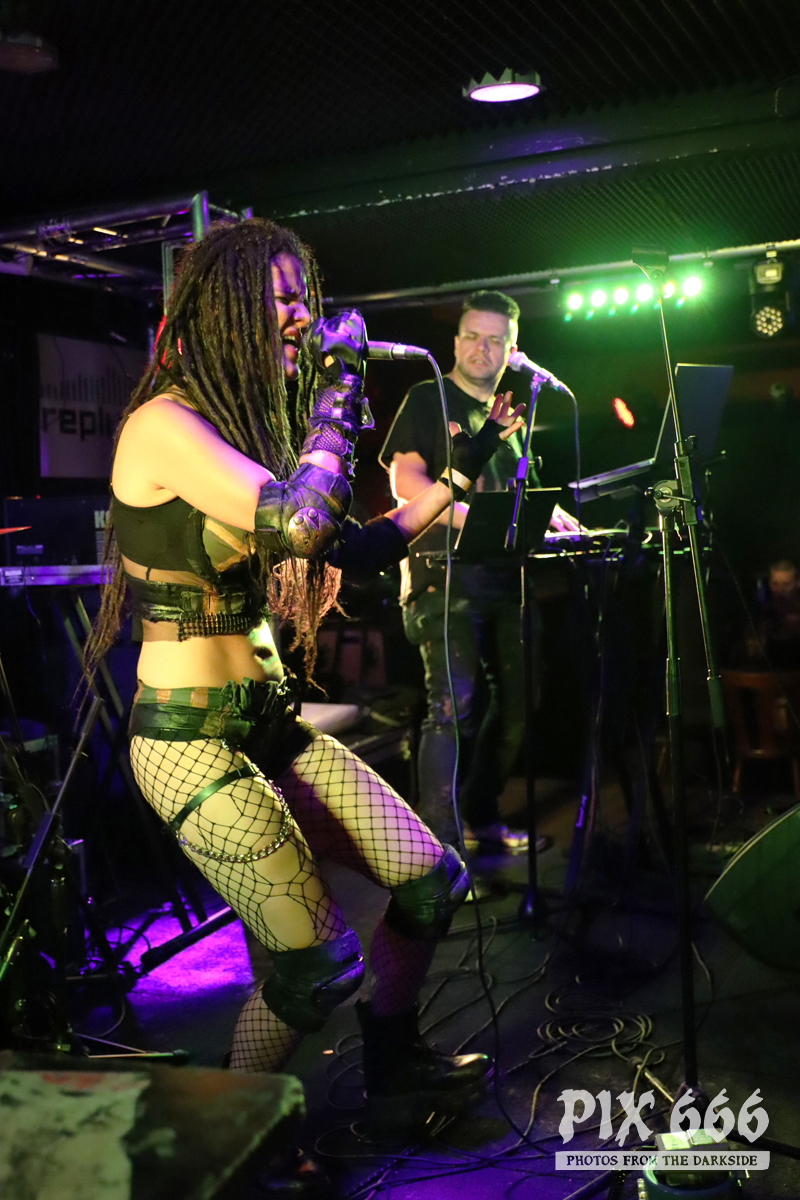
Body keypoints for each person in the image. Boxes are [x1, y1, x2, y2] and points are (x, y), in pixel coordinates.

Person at [84, 220, 525, 1154]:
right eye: (281, 298)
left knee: (430, 882)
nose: (301, 316)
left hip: (269, 724)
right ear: (225, 309)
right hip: (189, 740)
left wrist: (472, 460)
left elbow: (355, 545)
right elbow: (300, 523)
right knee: (313, 964)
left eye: (305, 298)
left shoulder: (238, 433)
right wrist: (339, 385)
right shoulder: (165, 424)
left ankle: (395, 1068)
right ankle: (230, 1136)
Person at [380, 290, 579, 852]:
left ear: (512, 350)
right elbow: (405, 482)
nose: (481, 348)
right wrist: (478, 518)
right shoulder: (427, 398)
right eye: (472, 336)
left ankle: (480, 817)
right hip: (442, 577)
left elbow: (516, 499)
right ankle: (437, 852)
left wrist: (550, 515)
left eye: (494, 340)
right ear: (455, 341)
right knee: (453, 708)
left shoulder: (512, 417)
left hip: (506, 580)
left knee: (518, 706)